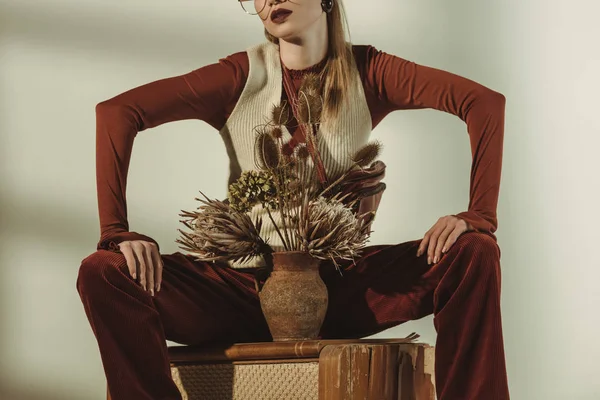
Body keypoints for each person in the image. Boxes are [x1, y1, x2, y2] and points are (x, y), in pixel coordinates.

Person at [76, 0, 509, 399]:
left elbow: (483, 103)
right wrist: (116, 232)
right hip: (242, 290)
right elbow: (118, 112)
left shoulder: (371, 70)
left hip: (340, 288)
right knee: (105, 270)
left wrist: (478, 216)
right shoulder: (238, 75)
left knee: (474, 252)